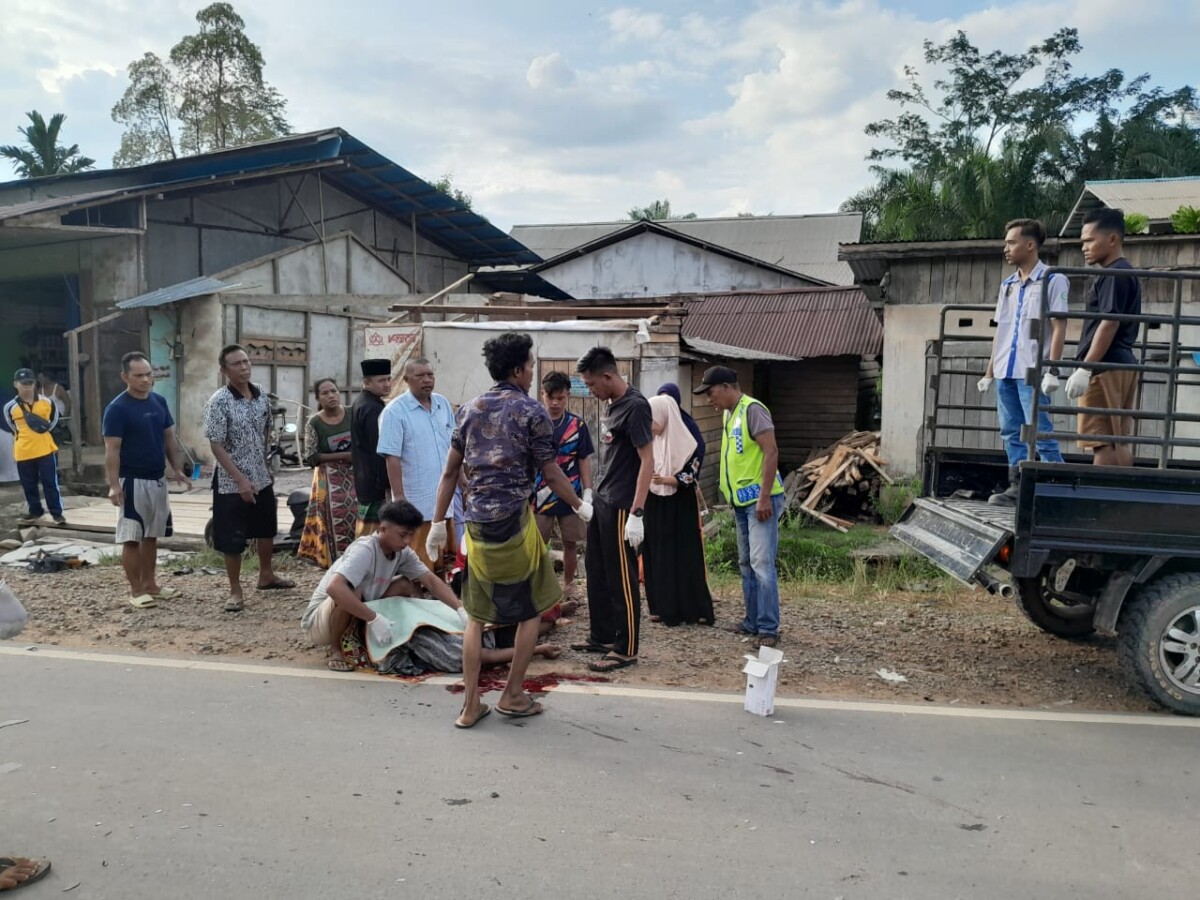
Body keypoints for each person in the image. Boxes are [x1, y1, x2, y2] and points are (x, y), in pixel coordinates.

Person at [428, 332, 592, 727]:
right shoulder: (531, 411)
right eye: (531, 365)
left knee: (476, 617)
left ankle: (469, 706)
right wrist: (580, 505)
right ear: (518, 369)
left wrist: (437, 524)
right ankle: (513, 694)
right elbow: (552, 474)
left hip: (477, 527)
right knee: (533, 608)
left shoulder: (467, 408)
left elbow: (450, 471)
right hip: (515, 524)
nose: (533, 371)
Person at [303, 500, 560, 677]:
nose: (406, 542)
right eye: (402, 535)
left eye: (410, 536)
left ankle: (382, 631)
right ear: (382, 529)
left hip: (363, 609)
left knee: (406, 584)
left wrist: (460, 609)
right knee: (352, 590)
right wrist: (374, 618)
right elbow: (336, 589)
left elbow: (432, 582)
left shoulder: (400, 552)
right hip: (323, 619)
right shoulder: (365, 550)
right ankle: (337, 650)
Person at [977, 218, 1068, 505]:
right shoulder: (1007, 285)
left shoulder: (1052, 279)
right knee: (1011, 429)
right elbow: (1000, 330)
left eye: (1012, 242)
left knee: (1038, 428)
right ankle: (1017, 486)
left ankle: (1055, 486)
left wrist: (1053, 368)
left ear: (1030, 245)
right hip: (1006, 368)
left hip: (1032, 370)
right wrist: (989, 371)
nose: (1006, 248)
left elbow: (1059, 326)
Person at [575, 346, 654, 672]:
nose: (590, 391)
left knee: (622, 578)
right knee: (598, 572)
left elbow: (648, 460)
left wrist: (636, 513)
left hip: (623, 505)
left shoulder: (636, 407)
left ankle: (625, 648)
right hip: (604, 501)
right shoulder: (612, 404)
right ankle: (603, 635)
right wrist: (591, 495)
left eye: (592, 385)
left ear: (608, 376)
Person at [694, 365, 784, 648]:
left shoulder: (753, 410)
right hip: (741, 501)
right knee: (746, 564)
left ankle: (768, 628)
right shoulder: (728, 414)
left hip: (760, 500)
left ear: (726, 386)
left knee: (761, 563)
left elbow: (771, 452)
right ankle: (752, 621)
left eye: (710, 392)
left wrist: (765, 497)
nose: (709, 399)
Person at [202, 344, 295, 613]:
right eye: (236, 364)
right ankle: (235, 590)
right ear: (224, 370)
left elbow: (266, 431)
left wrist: (266, 466)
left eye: (245, 361)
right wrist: (240, 480)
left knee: (266, 529)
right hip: (232, 481)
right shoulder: (218, 402)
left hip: (261, 475)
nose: (243, 367)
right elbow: (216, 445)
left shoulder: (260, 395)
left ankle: (266, 576)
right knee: (232, 538)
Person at [102, 351, 191, 609]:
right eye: (138, 375)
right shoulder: (117, 409)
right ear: (125, 377)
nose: (145, 379)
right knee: (131, 537)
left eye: (149, 374)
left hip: (157, 479)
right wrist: (114, 485)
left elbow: (168, 438)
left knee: (152, 535)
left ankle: (152, 584)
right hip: (132, 480)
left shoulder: (159, 402)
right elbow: (112, 450)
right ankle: (136, 589)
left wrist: (176, 469)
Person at [1066, 207, 1143, 467]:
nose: (1084, 247)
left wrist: (1086, 368)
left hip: (1106, 364)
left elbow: (1109, 322)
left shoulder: (1114, 273)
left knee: (1102, 439)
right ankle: (1121, 499)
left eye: (1089, 240)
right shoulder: (1121, 271)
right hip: (1120, 362)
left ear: (1112, 239)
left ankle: (1100, 503)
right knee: (1116, 439)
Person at [377, 358, 456, 571]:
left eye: (430, 375)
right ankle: (418, 594)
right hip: (417, 496)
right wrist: (399, 496)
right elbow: (391, 456)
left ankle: (440, 591)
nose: (427, 380)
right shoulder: (395, 411)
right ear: (406, 380)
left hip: (446, 495)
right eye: (420, 376)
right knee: (418, 559)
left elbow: (453, 445)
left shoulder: (443, 404)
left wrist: (463, 479)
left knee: (444, 556)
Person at [643, 394, 714, 627]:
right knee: (657, 554)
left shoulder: (689, 441)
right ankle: (662, 608)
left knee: (683, 555)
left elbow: (691, 475)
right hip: (654, 502)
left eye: (653, 419)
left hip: (679, 504)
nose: (651, 424)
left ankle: (691, 609)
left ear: (665, 416)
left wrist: (667, 479)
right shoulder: (651, 440)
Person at [533, 371, 594, 599]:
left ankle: (569, 587)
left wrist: (587, 492)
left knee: (571, 542)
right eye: (551, 397)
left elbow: (584, 459)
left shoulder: (577, 425)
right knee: (538, 545)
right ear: (542, 395)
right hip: (540, 494)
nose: (556, 403)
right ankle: (540, 589)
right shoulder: (535, 423)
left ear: (568, 396)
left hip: (572, 495)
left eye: (561, 398)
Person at [297, 378, 357, 569]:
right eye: (325, 393)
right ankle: (335, 565)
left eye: (334, 390)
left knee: (359, 518)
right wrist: (344, 455)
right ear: (317, 398)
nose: (331, 395)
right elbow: (311, 457)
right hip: (329, 480)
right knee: (331, 522)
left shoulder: (352, 413)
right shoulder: (314, 423)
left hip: (356, 476)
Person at [2, 368, 64, 526]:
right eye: (23, 383)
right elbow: (11, 424)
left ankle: (56, 513)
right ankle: (35, 510)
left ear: (34, 383)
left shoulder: (46, 402)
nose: (27, 386)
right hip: (23, 451)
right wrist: (24, 436)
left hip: (45, 449)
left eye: (30, 383)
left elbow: (54, 420)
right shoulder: (10, 407)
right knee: (29, 484)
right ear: (16, 384)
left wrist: (41, 434)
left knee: (50, 482)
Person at [350, 358, 392, 536]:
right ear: (366, 382)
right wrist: (385, 483)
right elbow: (379, 449)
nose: (387, 384)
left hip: (365, 477)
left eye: (389, 379)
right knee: (373, 535)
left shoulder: (363, 401)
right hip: (375, 481)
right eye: (381, 380)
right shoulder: (371, 408)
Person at [656, 382, 706, 471]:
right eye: (662, 398)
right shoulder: (658, 423)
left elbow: (699, 447)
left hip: (681, 475)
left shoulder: (688, 424)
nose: (666, 402)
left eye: (669, 398)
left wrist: (687, 473)